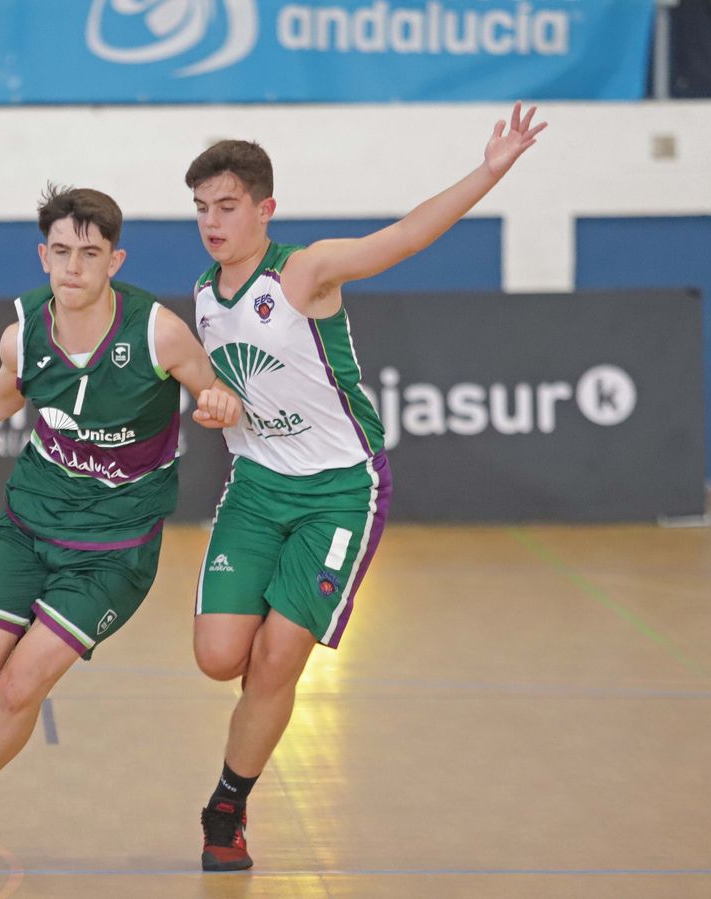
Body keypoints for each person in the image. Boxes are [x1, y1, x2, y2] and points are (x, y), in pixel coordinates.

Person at [185, 103, 547, 871]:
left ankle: (227, 805)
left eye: (227, 206)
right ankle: (262, 681)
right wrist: (215, 403)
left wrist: (488, 171)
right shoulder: (205, 296)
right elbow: (226, 389)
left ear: (264, 209)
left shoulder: (306, 270)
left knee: (276, 661)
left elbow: (405, 236)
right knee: (219, 657)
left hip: (339, 491)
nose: (212, 222)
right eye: (202, 208)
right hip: (256, 487)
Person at [0, 184, 239, 871]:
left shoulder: (157, 332)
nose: (74, 266)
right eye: (62, 251)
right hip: (29, 523)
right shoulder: (24, 334)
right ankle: (14, 644)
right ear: (43, 255)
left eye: (90, 253)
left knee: (19, 687)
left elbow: (213, 387)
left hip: (113, 550)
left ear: (114, 260)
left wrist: (219, 403)